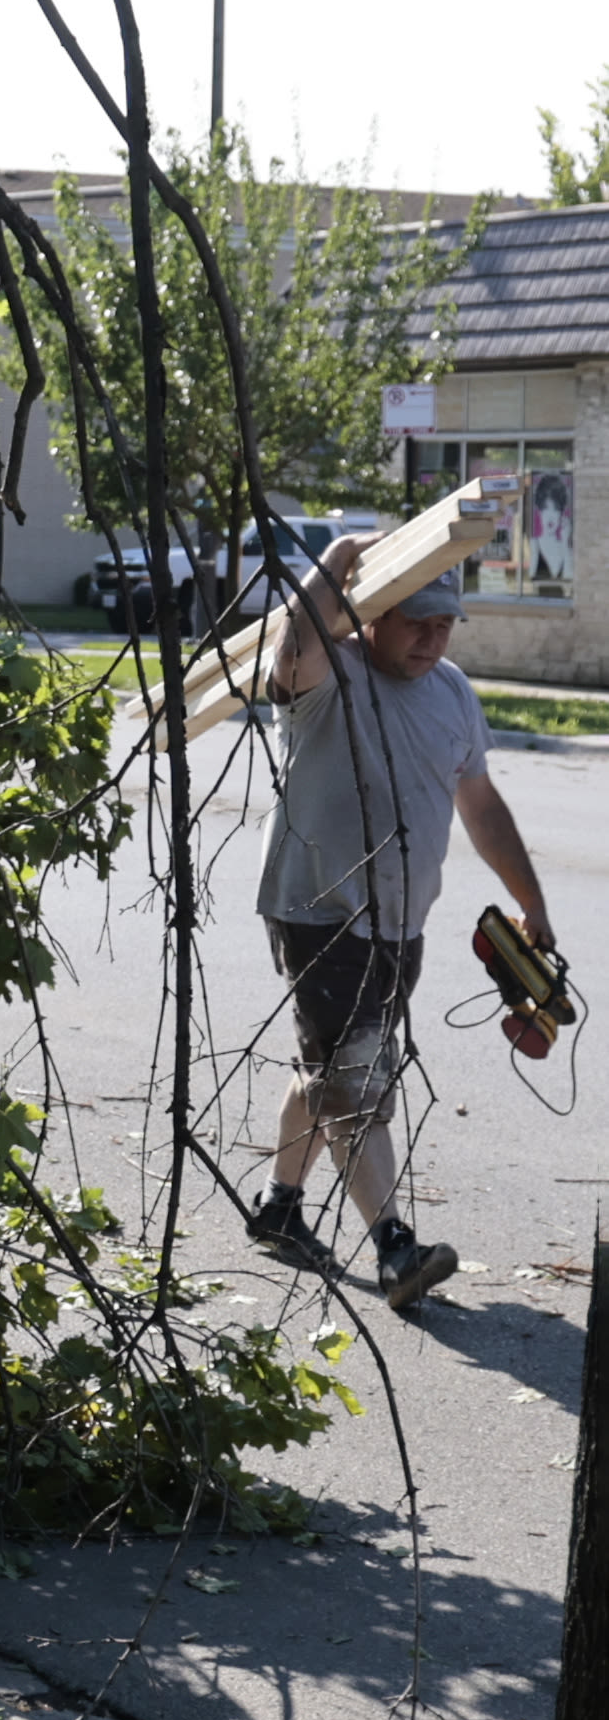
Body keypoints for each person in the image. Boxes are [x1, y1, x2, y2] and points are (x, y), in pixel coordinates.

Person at [247, 533, 553, 1308]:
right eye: (416, 620)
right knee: (355, 1081)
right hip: (317, 909)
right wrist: (342, 554)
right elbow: (294, 647)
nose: (433, 637)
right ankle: (394, 1247)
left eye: (446, 623)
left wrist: (533, 899)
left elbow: (480, 807)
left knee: (325, 1069)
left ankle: (280, 1208)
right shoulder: (328, 678)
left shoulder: (452, 692)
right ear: (372, 616)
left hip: (399, 924)